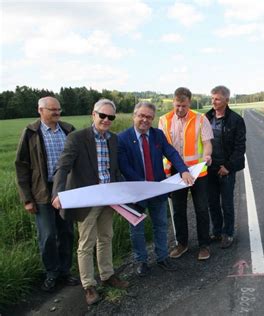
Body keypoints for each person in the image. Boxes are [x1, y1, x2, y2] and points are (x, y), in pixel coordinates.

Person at [51, 99, 128, 305]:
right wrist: (58, 193)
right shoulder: (77, 138)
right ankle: (88, 285)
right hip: (87, 200)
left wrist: (124, 190)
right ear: (93, 115)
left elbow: (114, 169)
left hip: (108, 198)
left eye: (110, 117)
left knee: (106, 236)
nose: (106, 120)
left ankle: (107, 275)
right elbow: (63, 166)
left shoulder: (113, 139)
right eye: (102, 115)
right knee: (86, 242)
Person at [118, 101, 194, 277]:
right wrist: (144, 186)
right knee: (136, 229)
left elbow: (172, 153)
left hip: (158, 190)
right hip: (136, 192)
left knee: (161, 225)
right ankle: (141, 261)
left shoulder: (158, 135)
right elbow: (124, 167)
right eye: (141, 116)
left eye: (149, 117)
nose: (145, 120)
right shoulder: (122, 138)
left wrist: (183, 170)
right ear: (134, 116)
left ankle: (162, 257)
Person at [15, 96, 79, 292]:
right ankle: (51, 272)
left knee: (67, 233)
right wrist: (27, 198)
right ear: (40, 110)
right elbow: (21, 166)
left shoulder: (69, 130)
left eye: (59, 109)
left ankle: (65, 271)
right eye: (53, 110)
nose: (57, 113)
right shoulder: (30, 133)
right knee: (48, 235)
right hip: (41, 192)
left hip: (66, 190)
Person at [158, 87, 213, 261]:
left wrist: (207, 155)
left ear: (189, 103)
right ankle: (182, 243)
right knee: (178, 210)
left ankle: (204, 245)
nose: (180, 109)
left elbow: (207, 142)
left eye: (184, 105)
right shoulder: (164, 120)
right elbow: (162, 147)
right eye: (177, 105)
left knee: (202, 208)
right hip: (175, 172)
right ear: (173, 102)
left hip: (198, 171)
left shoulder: (200, 119)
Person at [205, 86, 246, 249]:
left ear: (226, 100)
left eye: (217, 99)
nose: (213, 102)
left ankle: (228, 234)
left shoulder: (236, 120)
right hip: (209, 169)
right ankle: (216, 231)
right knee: (212, 202)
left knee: (227, 203)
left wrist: (228, 167)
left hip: (226, 169)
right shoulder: (206, 118)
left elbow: (240, 147)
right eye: (212, 98)